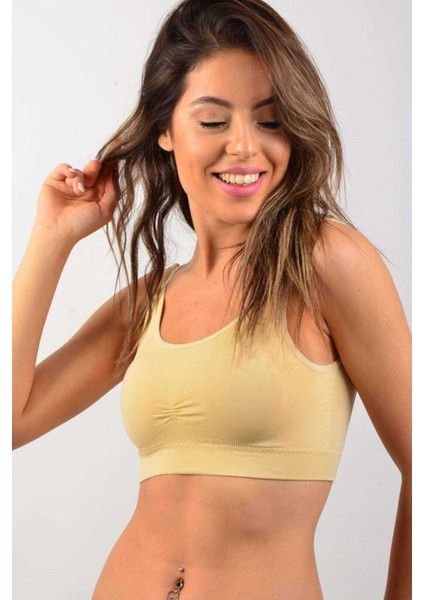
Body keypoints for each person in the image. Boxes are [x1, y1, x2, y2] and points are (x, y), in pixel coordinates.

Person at [12, 0, 411, 598]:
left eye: (270, 120)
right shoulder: (148, 302)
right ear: (165, 130)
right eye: (214, 121)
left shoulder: (324, 261)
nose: (245, 146)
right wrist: (51, 239)